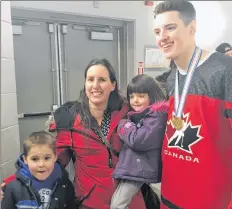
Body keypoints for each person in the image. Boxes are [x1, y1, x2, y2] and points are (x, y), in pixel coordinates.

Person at [1, 59, 146, 209]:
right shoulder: (71, 118)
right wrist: (11, 181)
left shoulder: (130, 114)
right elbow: (52, 160)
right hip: (89, 202)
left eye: (102, 80)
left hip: (129, 201)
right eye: (90, 79)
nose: (95, 85)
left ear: (113, 85)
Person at [153, 1, 232, 209]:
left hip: (211, 200)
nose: (162, 37)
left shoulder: (224, 69)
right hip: (171, 197)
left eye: (170, 28)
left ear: (192, 27)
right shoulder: (171, 77)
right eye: (157, 31)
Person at [110, 74, 168, 209]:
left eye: (141, 96)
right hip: (138, 170)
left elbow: (138, 140)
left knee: (118, 205)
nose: (135, 100)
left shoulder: (157, 118)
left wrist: (123, 125)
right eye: (132, 96)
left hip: (145, 170)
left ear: (152, 96)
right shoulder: (142, 116)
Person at [1, 131, 76, 209]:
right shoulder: (12, 187)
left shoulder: (65, 184)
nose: (41, 164)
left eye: (47, 158)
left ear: (55, 157)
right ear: (25, 159)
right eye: (35, 159)